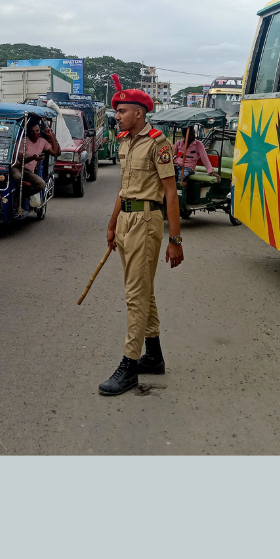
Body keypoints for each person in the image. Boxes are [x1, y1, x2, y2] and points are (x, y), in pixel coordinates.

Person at [99, 74, 183, 396]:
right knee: (142, 290)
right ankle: (155, 355)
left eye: (122, 111)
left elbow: (171, 193)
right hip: (126, 221)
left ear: (139, 113)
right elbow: (124, 188)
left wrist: (175, 240)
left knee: (135, 295)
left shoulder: (158, 143)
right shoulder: (124, 142)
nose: (117, 115)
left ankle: (129, 366)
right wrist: (111, 223)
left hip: (147, 222)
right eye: (117, 111)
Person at [12, 116, 60, 197]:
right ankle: (18, 193)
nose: (35, 134)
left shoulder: (42, 141)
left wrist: (51, 136)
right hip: (18, 168)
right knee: (17, 177)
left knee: (41, 184)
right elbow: (19, 162)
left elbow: (55, 152)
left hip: (29, 171)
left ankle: (21, 196)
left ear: (40, 130)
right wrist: (32, 158)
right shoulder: (23, 141)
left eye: (37, 131)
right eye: (32, 132)